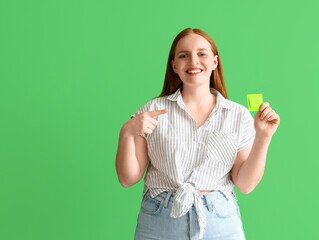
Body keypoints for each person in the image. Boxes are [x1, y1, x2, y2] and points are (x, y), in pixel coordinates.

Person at [115, 28, 280, 240]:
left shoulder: (238, 115)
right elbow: (128, 179)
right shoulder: (152, 111)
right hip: (159, 220)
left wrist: (263, 137)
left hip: (220, 221)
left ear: (215, 62)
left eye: (202, 54)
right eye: (183, 55)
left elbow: (246, 185)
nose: (193, 61)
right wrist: (127, 132)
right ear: (174, 65)